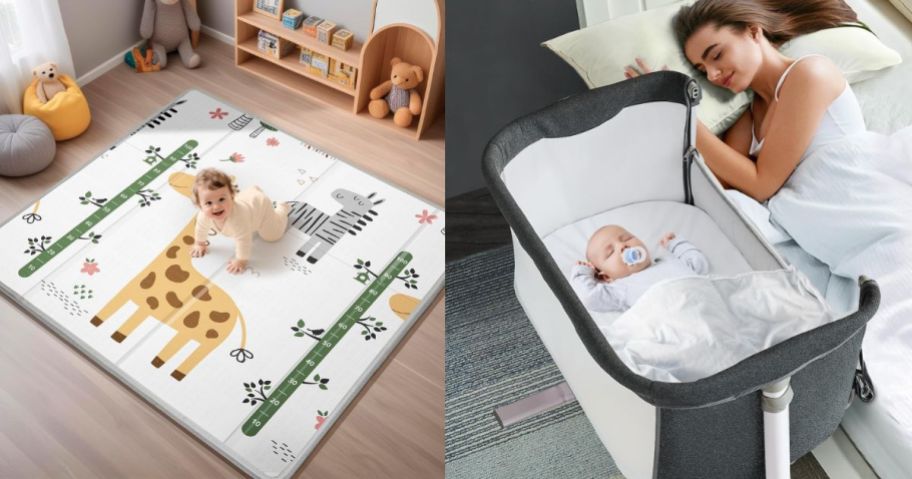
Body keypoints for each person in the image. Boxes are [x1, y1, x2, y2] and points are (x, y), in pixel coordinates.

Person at [571, 225, 709, 312]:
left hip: (702, 304)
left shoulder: (668, 262)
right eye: (610, 252)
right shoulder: (621, 288)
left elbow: (698, 264)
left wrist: (676, 245)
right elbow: (589, 298)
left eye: (627, 238)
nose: (623, 246)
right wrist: (582, 273)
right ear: (606, 276)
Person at [190, 168, 291, 274]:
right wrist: (199, 243)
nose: (216, 207)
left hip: (261, 207)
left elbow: (243, 241)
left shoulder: (238, 219)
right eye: (209, 203)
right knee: (245, 199)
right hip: (247, 201)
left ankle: (282, 209)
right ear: (199, 205)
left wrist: (241, 260)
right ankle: (253, 190)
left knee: (272, 236)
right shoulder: (203, 216)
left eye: (221, 199)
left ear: (231, 195)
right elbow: (201, 229)